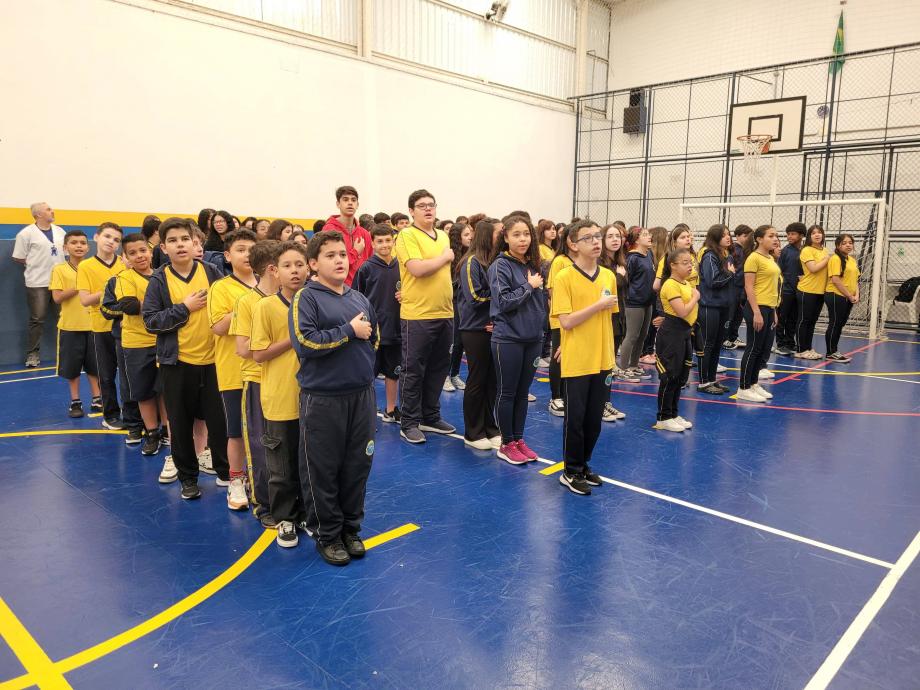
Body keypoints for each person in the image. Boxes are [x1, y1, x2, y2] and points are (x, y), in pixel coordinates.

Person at [290, 231, 378, 566]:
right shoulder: (306, 298)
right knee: (322, 469)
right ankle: (327, 534)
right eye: (330, 255)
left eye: (342, 254)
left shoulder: (359, 298)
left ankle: (350, 528)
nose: (339, 260)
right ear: (313, 263)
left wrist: (362, 361)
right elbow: (305, 343)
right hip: (323, 399)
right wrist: (348, 332)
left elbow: (374, 337)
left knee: (358, 465)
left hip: (361, 396)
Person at [142, 217, 229, 500]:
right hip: (177, 364)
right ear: (164, 248)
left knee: (219, 422)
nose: (180, 245)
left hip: (214, 362)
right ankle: (188, 477)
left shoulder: (212, 271)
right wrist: (184, 308)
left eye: (185, 239)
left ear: (195, 243)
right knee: (179, 425)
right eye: (172, 240)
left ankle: (226, 473)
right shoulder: (159, 280)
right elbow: (151, 321)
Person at [552, 220, 618, 494]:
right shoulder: (564, 277)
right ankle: (571, 470)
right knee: (576, 419)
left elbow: (609, 319)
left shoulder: (608, 276)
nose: (596, 241)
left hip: (603, 358)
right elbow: (566, 321)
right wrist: (598, 305)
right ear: (573, 244)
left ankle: (584, 464)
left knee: (594, 419)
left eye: (597, 236)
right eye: (588, 237)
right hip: (578, 358)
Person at [251, 242, 309, 547]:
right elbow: (258, 353)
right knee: (281, 465)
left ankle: (309, 514)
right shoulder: (265, 307)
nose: (294, 271)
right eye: (287, 265)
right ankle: (285, 517)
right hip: (280, 397)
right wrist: (294, 338)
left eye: (300, 264)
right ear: (275, 271)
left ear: (309, 267)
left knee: (310, 462)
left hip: (314, 397)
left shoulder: (315, 301)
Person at [394, 189, 456, 444]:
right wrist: (444, 257)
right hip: (418, 314)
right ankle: (409, 422)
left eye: (431, 204)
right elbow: (417, 269)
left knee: (438, 369)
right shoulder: (406, 235)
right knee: (413, 370)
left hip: (445, 311)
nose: (428, 209)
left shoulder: (443, 235)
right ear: (411, 211)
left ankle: (430, 416)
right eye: (422, 206)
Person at [230, 239, 281, 528]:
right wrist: (282, 344)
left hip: (289, 381)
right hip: (258, 380)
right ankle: (265, 503)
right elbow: (243, 348)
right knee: (262, 446)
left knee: (289, 444)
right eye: (287, 264)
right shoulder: (247, 301)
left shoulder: (293, 297)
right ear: (273, 269)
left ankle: (289, 500)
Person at [207, 229, 259, 511]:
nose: (247, 254)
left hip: (265, 369)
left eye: (252, 249)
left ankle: (260, 478)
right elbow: (218, 326)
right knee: (236, 430)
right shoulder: (221, 287)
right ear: (227, 255)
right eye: (241, 249)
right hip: (234, 372)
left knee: (265, 429)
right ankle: (236, 479)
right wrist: (248, 304)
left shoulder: (268, 282)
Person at [488, 215, 545, 465]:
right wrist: (529, 286)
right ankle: (506, 443)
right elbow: (504, 301)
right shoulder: (500, 266)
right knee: (507, 392)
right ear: (506, 238)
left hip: (533, 339)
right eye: (516, 235)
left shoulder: (533, 265)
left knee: (523, 393)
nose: (523, 239)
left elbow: (540, 303)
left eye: (526, 234)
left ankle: (519, 439)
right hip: (508, 338)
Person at [108, 234, 165, 455]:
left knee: (164, 391)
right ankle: (152, 432)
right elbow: (129, 306)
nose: (139, 256)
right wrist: (162, 305)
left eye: (143, 250)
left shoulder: (163, 275)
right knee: (143, 392)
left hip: (163, 341)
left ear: (150, 251)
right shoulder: (124, 277)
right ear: (125, 257)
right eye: (132, 253)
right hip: (137, 344)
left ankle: (167, 430)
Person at [76, 222, 127, 429]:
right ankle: (111, 415)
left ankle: (132, 413)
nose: (111, 242)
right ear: (96, 237)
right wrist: (109, 288)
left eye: (116, 240)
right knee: (106, 375)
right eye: (107, 236)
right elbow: (85, 300)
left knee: (128, 374)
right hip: (101, 327)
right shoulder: (85, 266)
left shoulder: (124, 263)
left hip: (125, 326)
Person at [457, 219, 502, 450]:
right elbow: (475, 297)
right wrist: (503, 297)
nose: (503, 236)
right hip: (475, 329)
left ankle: (490, 427)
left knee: (492, 381)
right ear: (487, 235)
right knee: (477, 380)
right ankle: (473, 432)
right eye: (499, 233)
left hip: (493, 328)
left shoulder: (494, 261)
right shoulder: (471, 262)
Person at [353, 224, 402, 422]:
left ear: (393, 241)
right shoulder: (366, 268)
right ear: (372, 243)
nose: (384, 245)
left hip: (396, 329)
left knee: (394, 372)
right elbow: (355, 299)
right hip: (372, 332)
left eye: (388, 240)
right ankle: (365, 414)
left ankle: (391, 410)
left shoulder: (402, 266)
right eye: (379, 241)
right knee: (368, 375)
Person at [49, 231, 100, 417]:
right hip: (70, 326)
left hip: (94, 325)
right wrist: (79, 285)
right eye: (74, 242)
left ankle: (97, 398)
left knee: (95, 366)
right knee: (72, 368)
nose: (79, 246)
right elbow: (57, 298)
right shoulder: (59, 270)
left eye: (82, 243)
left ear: (88, 246)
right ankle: (75, 401)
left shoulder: (93, 268)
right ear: (65, 247)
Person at [12, 202, 66, 367]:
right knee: (37, 319)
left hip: (60, 282)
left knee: (64, 318)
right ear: (38, 215)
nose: (52, 211)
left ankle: (67, 352)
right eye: (48, 209)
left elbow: (66, 252)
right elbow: (18, 256)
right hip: (37, 282)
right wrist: (35, 263)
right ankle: (33, 354)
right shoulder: (26, 234)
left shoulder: (60, 231)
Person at [654, 248, 699, 432]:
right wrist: (695, 297)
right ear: (673, 265)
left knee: (680, 377)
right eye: (685, 263)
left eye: (691, 263)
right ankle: (663, 417)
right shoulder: (671, 285)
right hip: (672, 334)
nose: (690, 266)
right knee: (670, 376)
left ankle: (673, 413)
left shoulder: (686, 284)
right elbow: (682, 311)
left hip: (685, 332)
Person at [737, 225, 781, 403]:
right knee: (754, 348)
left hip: (769, 307)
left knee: (763, 348)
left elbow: (772, 286)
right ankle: (743, 387)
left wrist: (774, 310)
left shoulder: (770, 257)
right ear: (759, 239)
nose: (775, 239)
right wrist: (756, 312)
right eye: (771, 236)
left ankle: (753, 383)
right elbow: (749, 287)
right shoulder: (753, 258)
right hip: (757, 307)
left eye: (776, 235)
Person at [696, 224, 735, 394]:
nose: (728, 237)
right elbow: (713, 281)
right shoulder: (709, 255)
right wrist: (730, 274)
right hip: (710, 305)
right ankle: (703, 382)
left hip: (723, 305)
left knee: (717, 344)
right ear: (716, 237)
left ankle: (712, 379)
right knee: (708, 344)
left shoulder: (725, 255)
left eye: (728, 234)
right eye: (724, 235)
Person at [617, 227, 656, 380]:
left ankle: (633, 365)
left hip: (648, 302)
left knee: (643, 335)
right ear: (636, 240)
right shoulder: (632, 258)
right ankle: (623, 368)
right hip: (634, 303)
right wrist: (631, 296)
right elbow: (627, 281)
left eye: (649, 234)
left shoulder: (649, 254)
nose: (649, 236)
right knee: (632, 335)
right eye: (645, 235)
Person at [598, 224, 628, 421]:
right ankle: (600, 404)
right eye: (610, 236)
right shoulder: (601, 265)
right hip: (605, 320)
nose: (615, 239)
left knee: (609, 365)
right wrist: (619, 277)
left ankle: (606, 402)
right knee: (602, 366)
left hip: (619, 319)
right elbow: (605, 290)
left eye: (617, 236)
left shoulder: (620, 263)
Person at [546, 223, 575, 416]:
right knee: (558, 356)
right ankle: (556, 396)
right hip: (561, 318)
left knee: (572, 357)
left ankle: (568, 393)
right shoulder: (560, 261)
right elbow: (552, 290)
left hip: (579, 319)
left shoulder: (585, 262)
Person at [322, 186, 373, 286]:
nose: (350, 203)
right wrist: (355, 252)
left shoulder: (365, 234)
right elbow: (331, 263)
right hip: (337, 288)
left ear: (357, 205)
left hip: (361, 290)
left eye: (353, 200)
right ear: (338, 204)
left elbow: (371, 264)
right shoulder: (329, 230)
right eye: (345, 199)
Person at [444, 222, 472, 392]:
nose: (470, 237)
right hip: (452, 303)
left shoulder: (470, 256)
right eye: (466, 234)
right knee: (452, 342)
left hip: (465, 304)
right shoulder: (450, 256)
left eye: (470, 234)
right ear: (457, 237)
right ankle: (445, 376)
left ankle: (454, 374)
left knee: (461, 341)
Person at [795, 224, 830, 360]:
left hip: (820, 292)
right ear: (809, 236)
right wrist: (827, 259)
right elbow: (813, 268)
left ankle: (808, 348)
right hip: (807, 290)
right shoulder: (807, 250)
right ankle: (800, 350)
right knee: (804, 320)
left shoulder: (825, 250)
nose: (817, 235)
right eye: (813, 233)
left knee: (812, 321)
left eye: (819, 232)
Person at [825, 234, 860, 362]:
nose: (848, 245)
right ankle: (831, 352)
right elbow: (835, 280)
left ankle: (834, 351)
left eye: (850, 242)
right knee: (835, 323)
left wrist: (856, 294)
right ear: (838, 245)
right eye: (844, 243)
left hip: (848, 297)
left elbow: (855, 279)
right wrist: (849, 295)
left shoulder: (852, 260)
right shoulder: (835, 259)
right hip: (836, 295)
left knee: (840, 324)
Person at [774, 222, 804, 355]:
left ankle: (790, 342)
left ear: (801, 235)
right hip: (785, 291)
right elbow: (778, 271)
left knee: (793, 318)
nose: (789, 236)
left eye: (793, 234)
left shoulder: (804, 251)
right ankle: (780, 344)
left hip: (799, 290)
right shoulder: (786, 251)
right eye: (788, 234)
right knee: (782, 318)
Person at [723, 224, 752, 349]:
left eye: (748, 236)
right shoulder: (734, 249)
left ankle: (733, 336)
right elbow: (730, 268)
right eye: (744, 236)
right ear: (738, 236)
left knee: (739, 313)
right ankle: (725, 338)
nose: (747, 239)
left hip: (743, 286)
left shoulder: (747, 250)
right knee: (730, 313)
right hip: (734, 286)